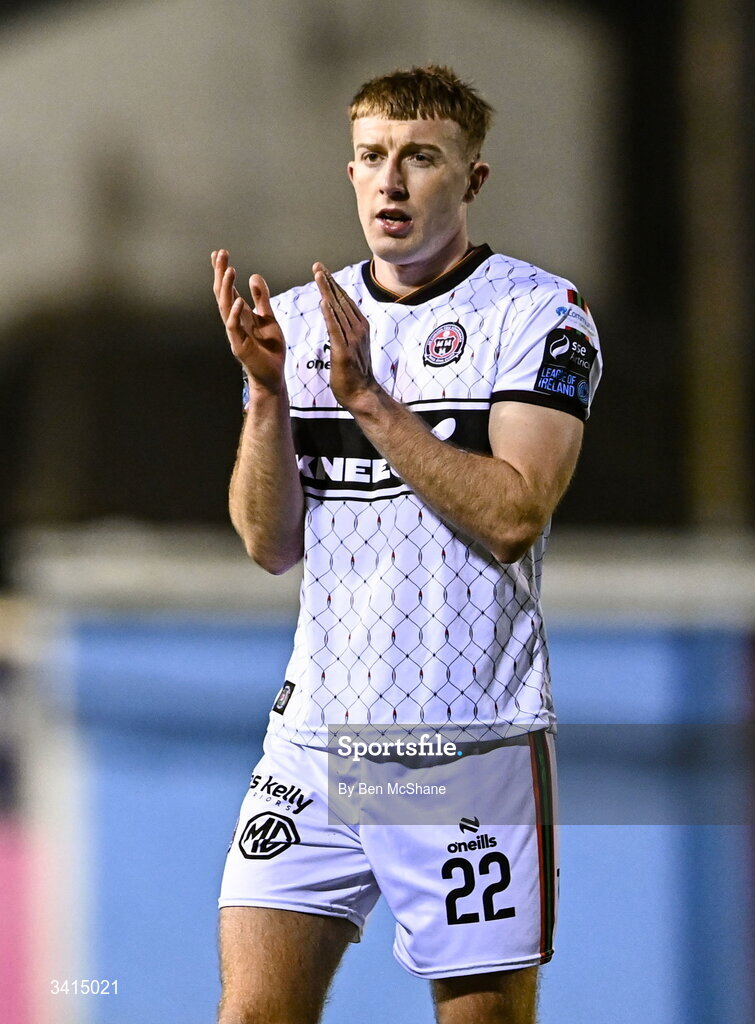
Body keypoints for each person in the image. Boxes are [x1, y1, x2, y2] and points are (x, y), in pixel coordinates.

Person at [211, 64, 602, 1024]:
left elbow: (514, 515)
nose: (391, 181)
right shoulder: (303, 322)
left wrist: (370, 405)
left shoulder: (538, 314)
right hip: (312, 738)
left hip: (459, 741)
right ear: (349, 173)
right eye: (373, 157)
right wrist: (267, 397)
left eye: (420, 158)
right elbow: (268, 543)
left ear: (469, 180)